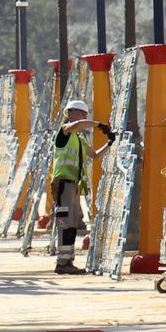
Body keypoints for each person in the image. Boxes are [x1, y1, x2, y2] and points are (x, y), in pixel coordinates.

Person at [51, 100, 113, 275]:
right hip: (63, 183)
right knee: (65, 223)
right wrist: (99, 125)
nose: (82, 117)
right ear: (70, 113)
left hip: (74, 186)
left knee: (70, 225)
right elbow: (78, 125)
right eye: (80, 113)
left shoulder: (80, 139)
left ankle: (67, 261)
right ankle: (62, 262)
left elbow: (95, 156)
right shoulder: (64, 131)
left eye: (84, 114)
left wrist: (109, 144)